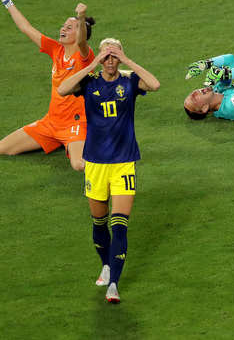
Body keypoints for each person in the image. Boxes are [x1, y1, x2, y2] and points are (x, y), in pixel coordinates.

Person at [57, 38, 160, 303]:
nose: (110, 60)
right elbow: (62, 90)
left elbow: (155, 84)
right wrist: (92, 62)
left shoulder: (130, 81)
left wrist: (127, 60)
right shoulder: (90, 82)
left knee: (120, 226)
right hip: (95, 164)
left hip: (124, 162)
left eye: (114, 54)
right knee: (99, 221)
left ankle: (114, 283)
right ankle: (105, 264)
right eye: (107, 54)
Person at [0, 0, 96, 171]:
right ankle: (58, 142)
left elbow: (82, 41)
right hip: (50, 123)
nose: (63, 29)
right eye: (63, 26)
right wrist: (7, 1)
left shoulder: (84, 56)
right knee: (2, 148)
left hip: (75, 124)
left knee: (79, 165)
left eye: (69, 27)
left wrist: (80, 17)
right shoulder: (55, 49)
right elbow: (26, 28)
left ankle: (98, 152)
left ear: (80, 32)